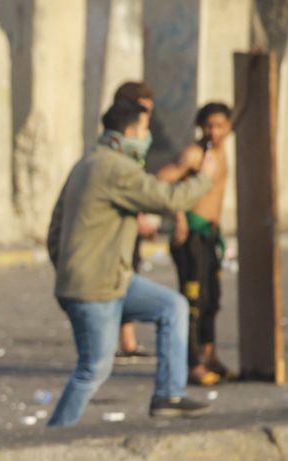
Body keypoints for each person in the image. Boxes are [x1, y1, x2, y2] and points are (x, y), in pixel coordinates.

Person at [45, 99, 215, 427]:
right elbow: (168, 198)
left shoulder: (89, 162)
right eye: (144, 129)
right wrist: (204, 177)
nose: (147, 135)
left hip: (110, 279)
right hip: (95, 286)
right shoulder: (115, 168)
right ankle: (52, 437)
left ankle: (168, 395)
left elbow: (55, 228)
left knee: (172, 307)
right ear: (130, 130)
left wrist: (67, 268)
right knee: (93, 368)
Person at [161, 102, 233, 385]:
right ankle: (192, 365)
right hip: (190, 236)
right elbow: (163, 181)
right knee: (192, 302)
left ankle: (209, 355)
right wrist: (178, 215)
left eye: (219, 126)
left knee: (212, 300)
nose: (213, 132)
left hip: (210, 236)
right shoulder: (195, 155)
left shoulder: (221, 153)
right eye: (208, 126)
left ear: (228, 128)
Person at [111, 80, 159, 363]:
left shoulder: (137, 145)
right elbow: (122, 187)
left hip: (130, 223)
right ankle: (121, 341)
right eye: (144, 112)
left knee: (131, 275)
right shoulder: (119, 146)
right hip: (117, 227)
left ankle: (127, 341)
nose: (148, 118)